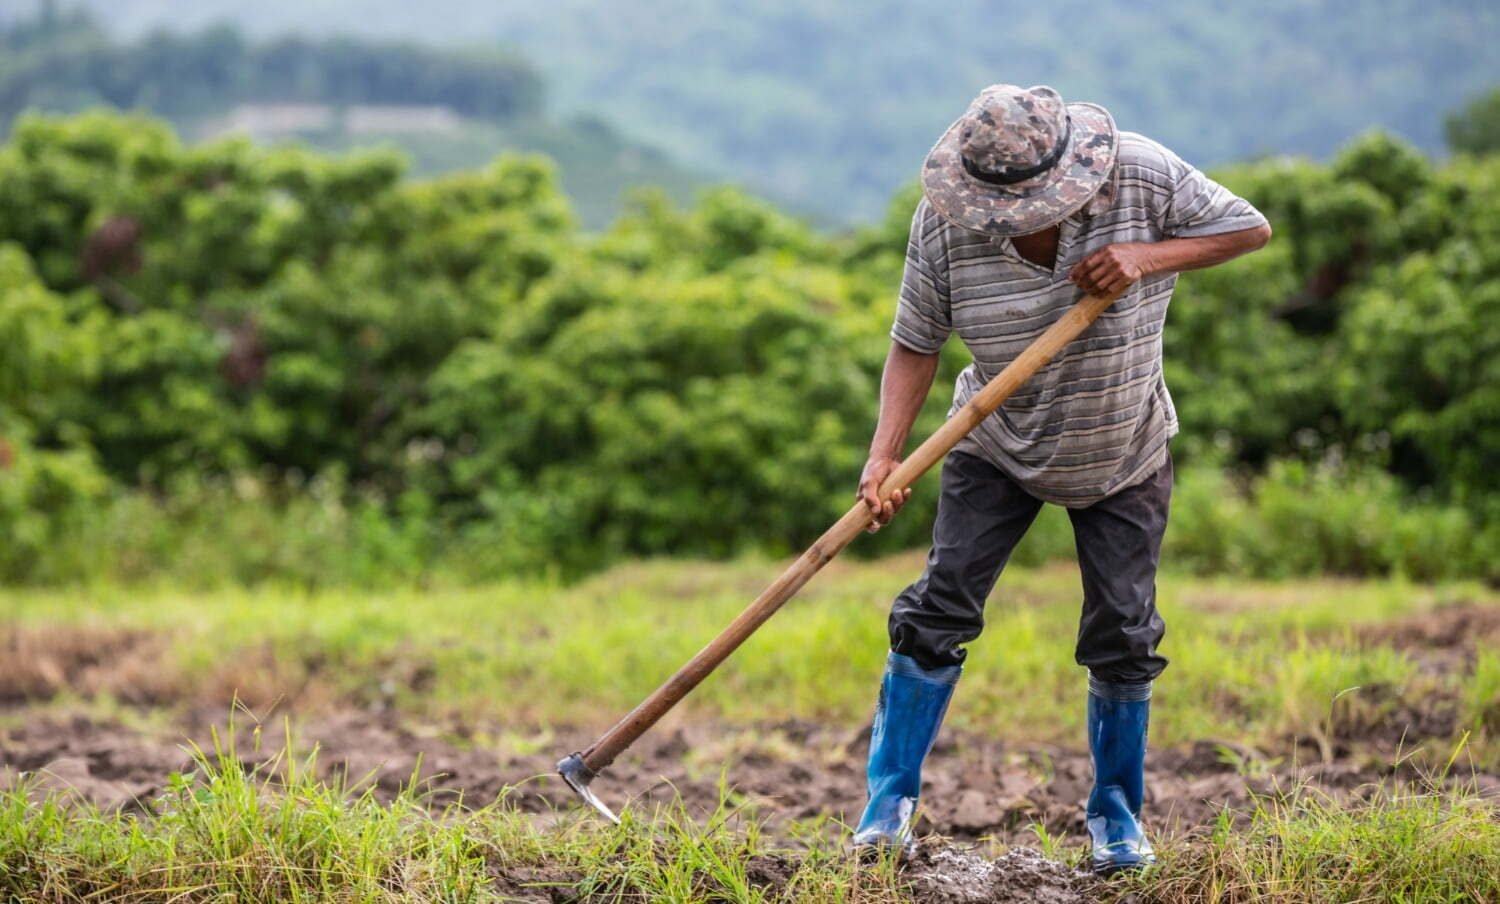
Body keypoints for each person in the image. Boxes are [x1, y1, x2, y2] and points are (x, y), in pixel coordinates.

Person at [852, 84, 1271, 874]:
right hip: (994, 439)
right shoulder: (945, 224)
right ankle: (886, 811)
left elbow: (1248, 228)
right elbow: (916, 341)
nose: (1013, 221)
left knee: (1122, 630)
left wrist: (1145, 257)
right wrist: (885, 456)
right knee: (937, 609)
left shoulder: (1142, 174)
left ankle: (1116, 821)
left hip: (1124, 445)